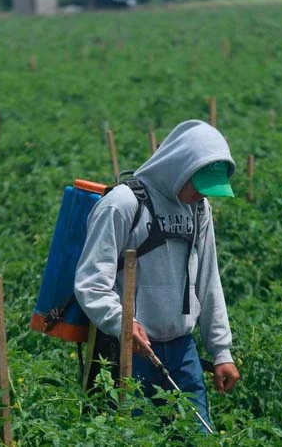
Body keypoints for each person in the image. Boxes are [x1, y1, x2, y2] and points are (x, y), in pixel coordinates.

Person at [74, 119, 240, 432]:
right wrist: (122, 323)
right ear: (180, 167)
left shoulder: (199, 210)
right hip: (129, 352)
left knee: (198, 436)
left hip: (182, 351)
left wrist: (221, 352)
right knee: (134, 437)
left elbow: (208, 280)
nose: (201, 195)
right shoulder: (123, 204)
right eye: (198, 185)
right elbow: (91, 283)